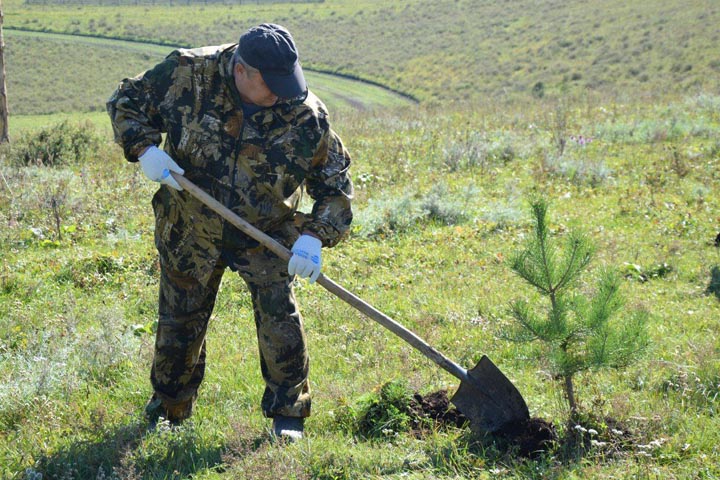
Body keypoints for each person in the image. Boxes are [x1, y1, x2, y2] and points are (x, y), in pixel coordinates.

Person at [107, 23, 353, 441]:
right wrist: (144, 147)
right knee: (179, 320)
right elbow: (126, 100)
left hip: (265, 231)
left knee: (280, 317)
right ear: (242, 71)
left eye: (286, 83)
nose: (280, 94)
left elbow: (335, 182)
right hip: (189, 225)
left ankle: (288, 413)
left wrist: (315, 236)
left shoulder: (306, 113)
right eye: (270, 85)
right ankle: (170, 408)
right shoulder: (188, 72)